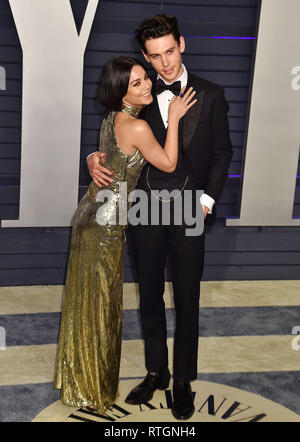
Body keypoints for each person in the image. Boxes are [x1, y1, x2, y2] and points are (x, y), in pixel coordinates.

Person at [87, 15, 233, 420]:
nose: (164, 64)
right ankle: (157, 371)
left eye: (170, 52)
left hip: (189, 207)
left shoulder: (213, 94)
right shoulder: (140, 95)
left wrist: (207, 201)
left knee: (186, 299)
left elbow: (222, 154)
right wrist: (94, 157)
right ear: (145, 58)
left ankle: (184, 378)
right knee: (150, 295)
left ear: (182, 44)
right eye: (155, 57)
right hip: (144, 209)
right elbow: (114, 136)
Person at [53, 56, 196, 414]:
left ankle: (81, 383)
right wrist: (175, 119)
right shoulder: (138, 127)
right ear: (121, 92)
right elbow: (168, 163)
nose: (147, 84)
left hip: (92, 216)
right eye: (136, 83)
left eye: (144, 78)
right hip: (104, 228)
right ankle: (91, 388)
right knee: (101, 306)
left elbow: (107, 155)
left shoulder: (111, 118)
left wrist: (92, 158)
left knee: (90, 303)